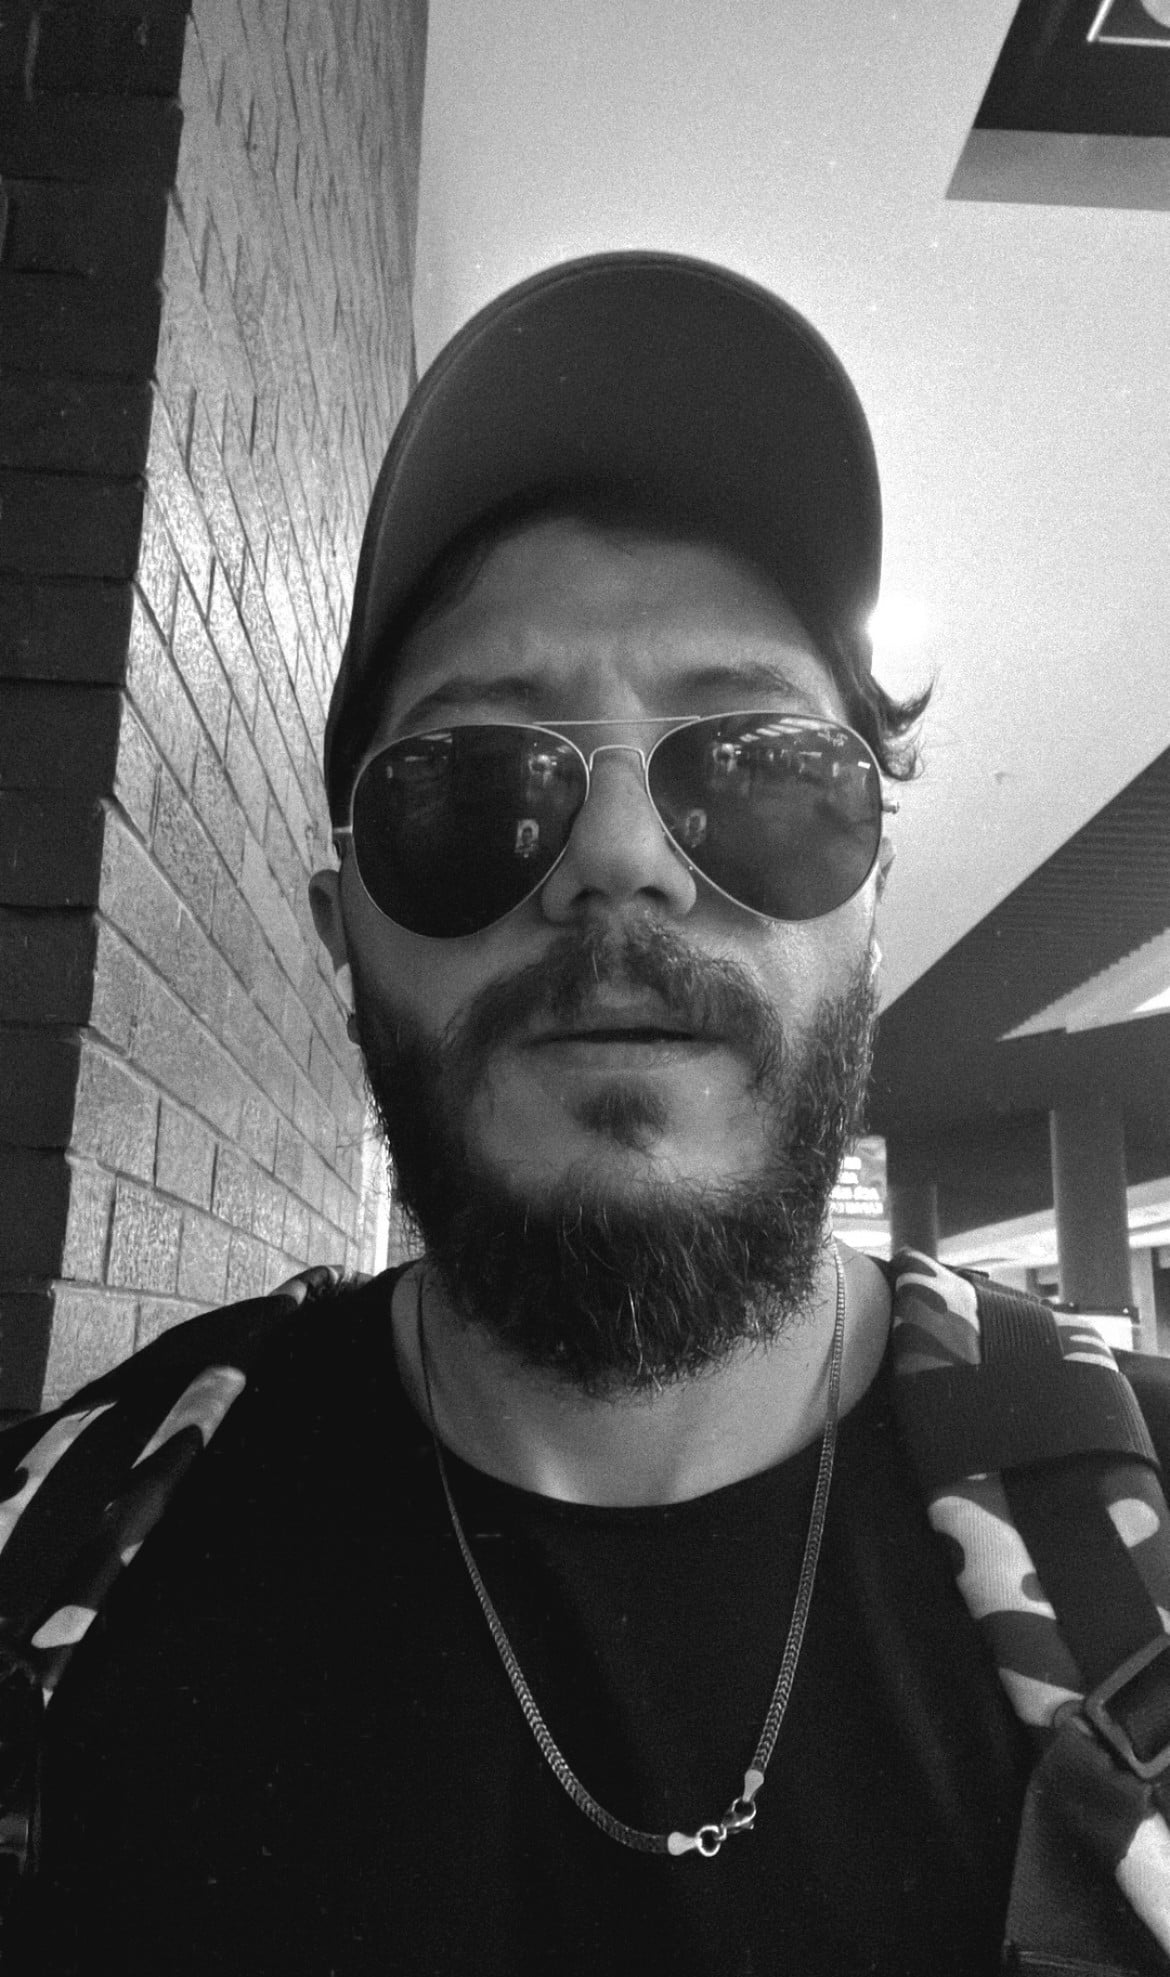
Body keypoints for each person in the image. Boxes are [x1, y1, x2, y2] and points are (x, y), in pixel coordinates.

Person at [3, 254, 1165, 1976]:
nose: (620, 859)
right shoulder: (64, 1558)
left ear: (871, 911)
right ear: (343, 938)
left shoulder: (1136, 1549)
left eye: (760, 774)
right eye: (477, 784)